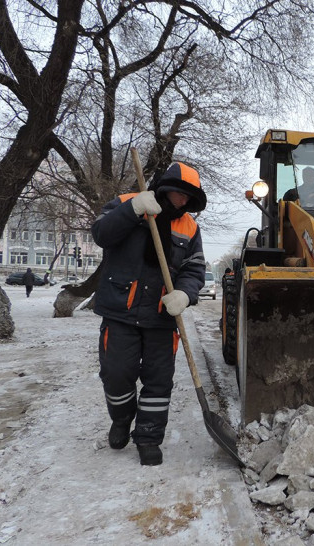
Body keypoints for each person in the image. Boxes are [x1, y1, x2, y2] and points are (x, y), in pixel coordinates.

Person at [91, 161, 207, 466]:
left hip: (161, 316)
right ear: (166, 187)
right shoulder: (127, 203)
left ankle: (149, 437)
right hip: (121, 310)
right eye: (179, 192)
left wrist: (185, 293)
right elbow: (101, 234)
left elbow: (194, 269)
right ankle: (121, 418)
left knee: (158, 381)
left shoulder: (189, 227)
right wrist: (132, 211)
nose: (183, 200)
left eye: (189, 196)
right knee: (116, 374)